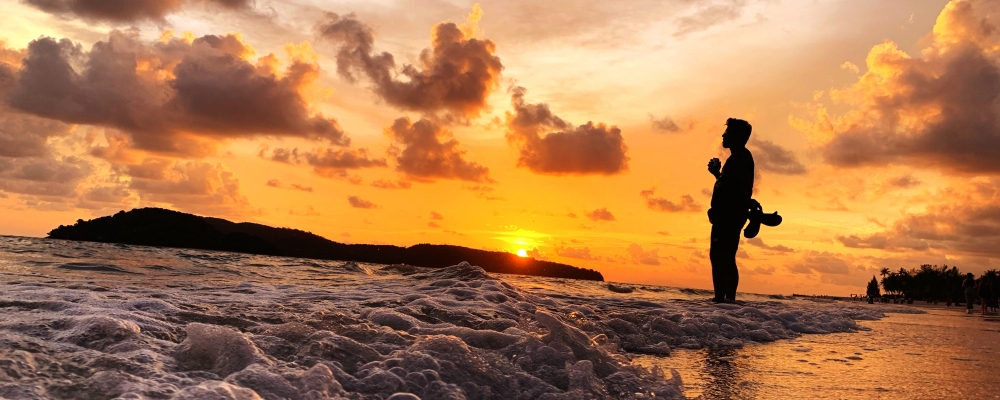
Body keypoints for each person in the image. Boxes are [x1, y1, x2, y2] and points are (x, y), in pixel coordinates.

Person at [706, 118, 754, 303]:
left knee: (721, 257)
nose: (723, 135)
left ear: (738, 136)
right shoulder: (737, 158)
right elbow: (731, 187)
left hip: (728, 217)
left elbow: (741, 190)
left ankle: (722, 299)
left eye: (728, 132)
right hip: (728, 216)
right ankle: (726, 301)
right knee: (724, 256)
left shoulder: (741, 157)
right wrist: (717, 174)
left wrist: (729, 213)